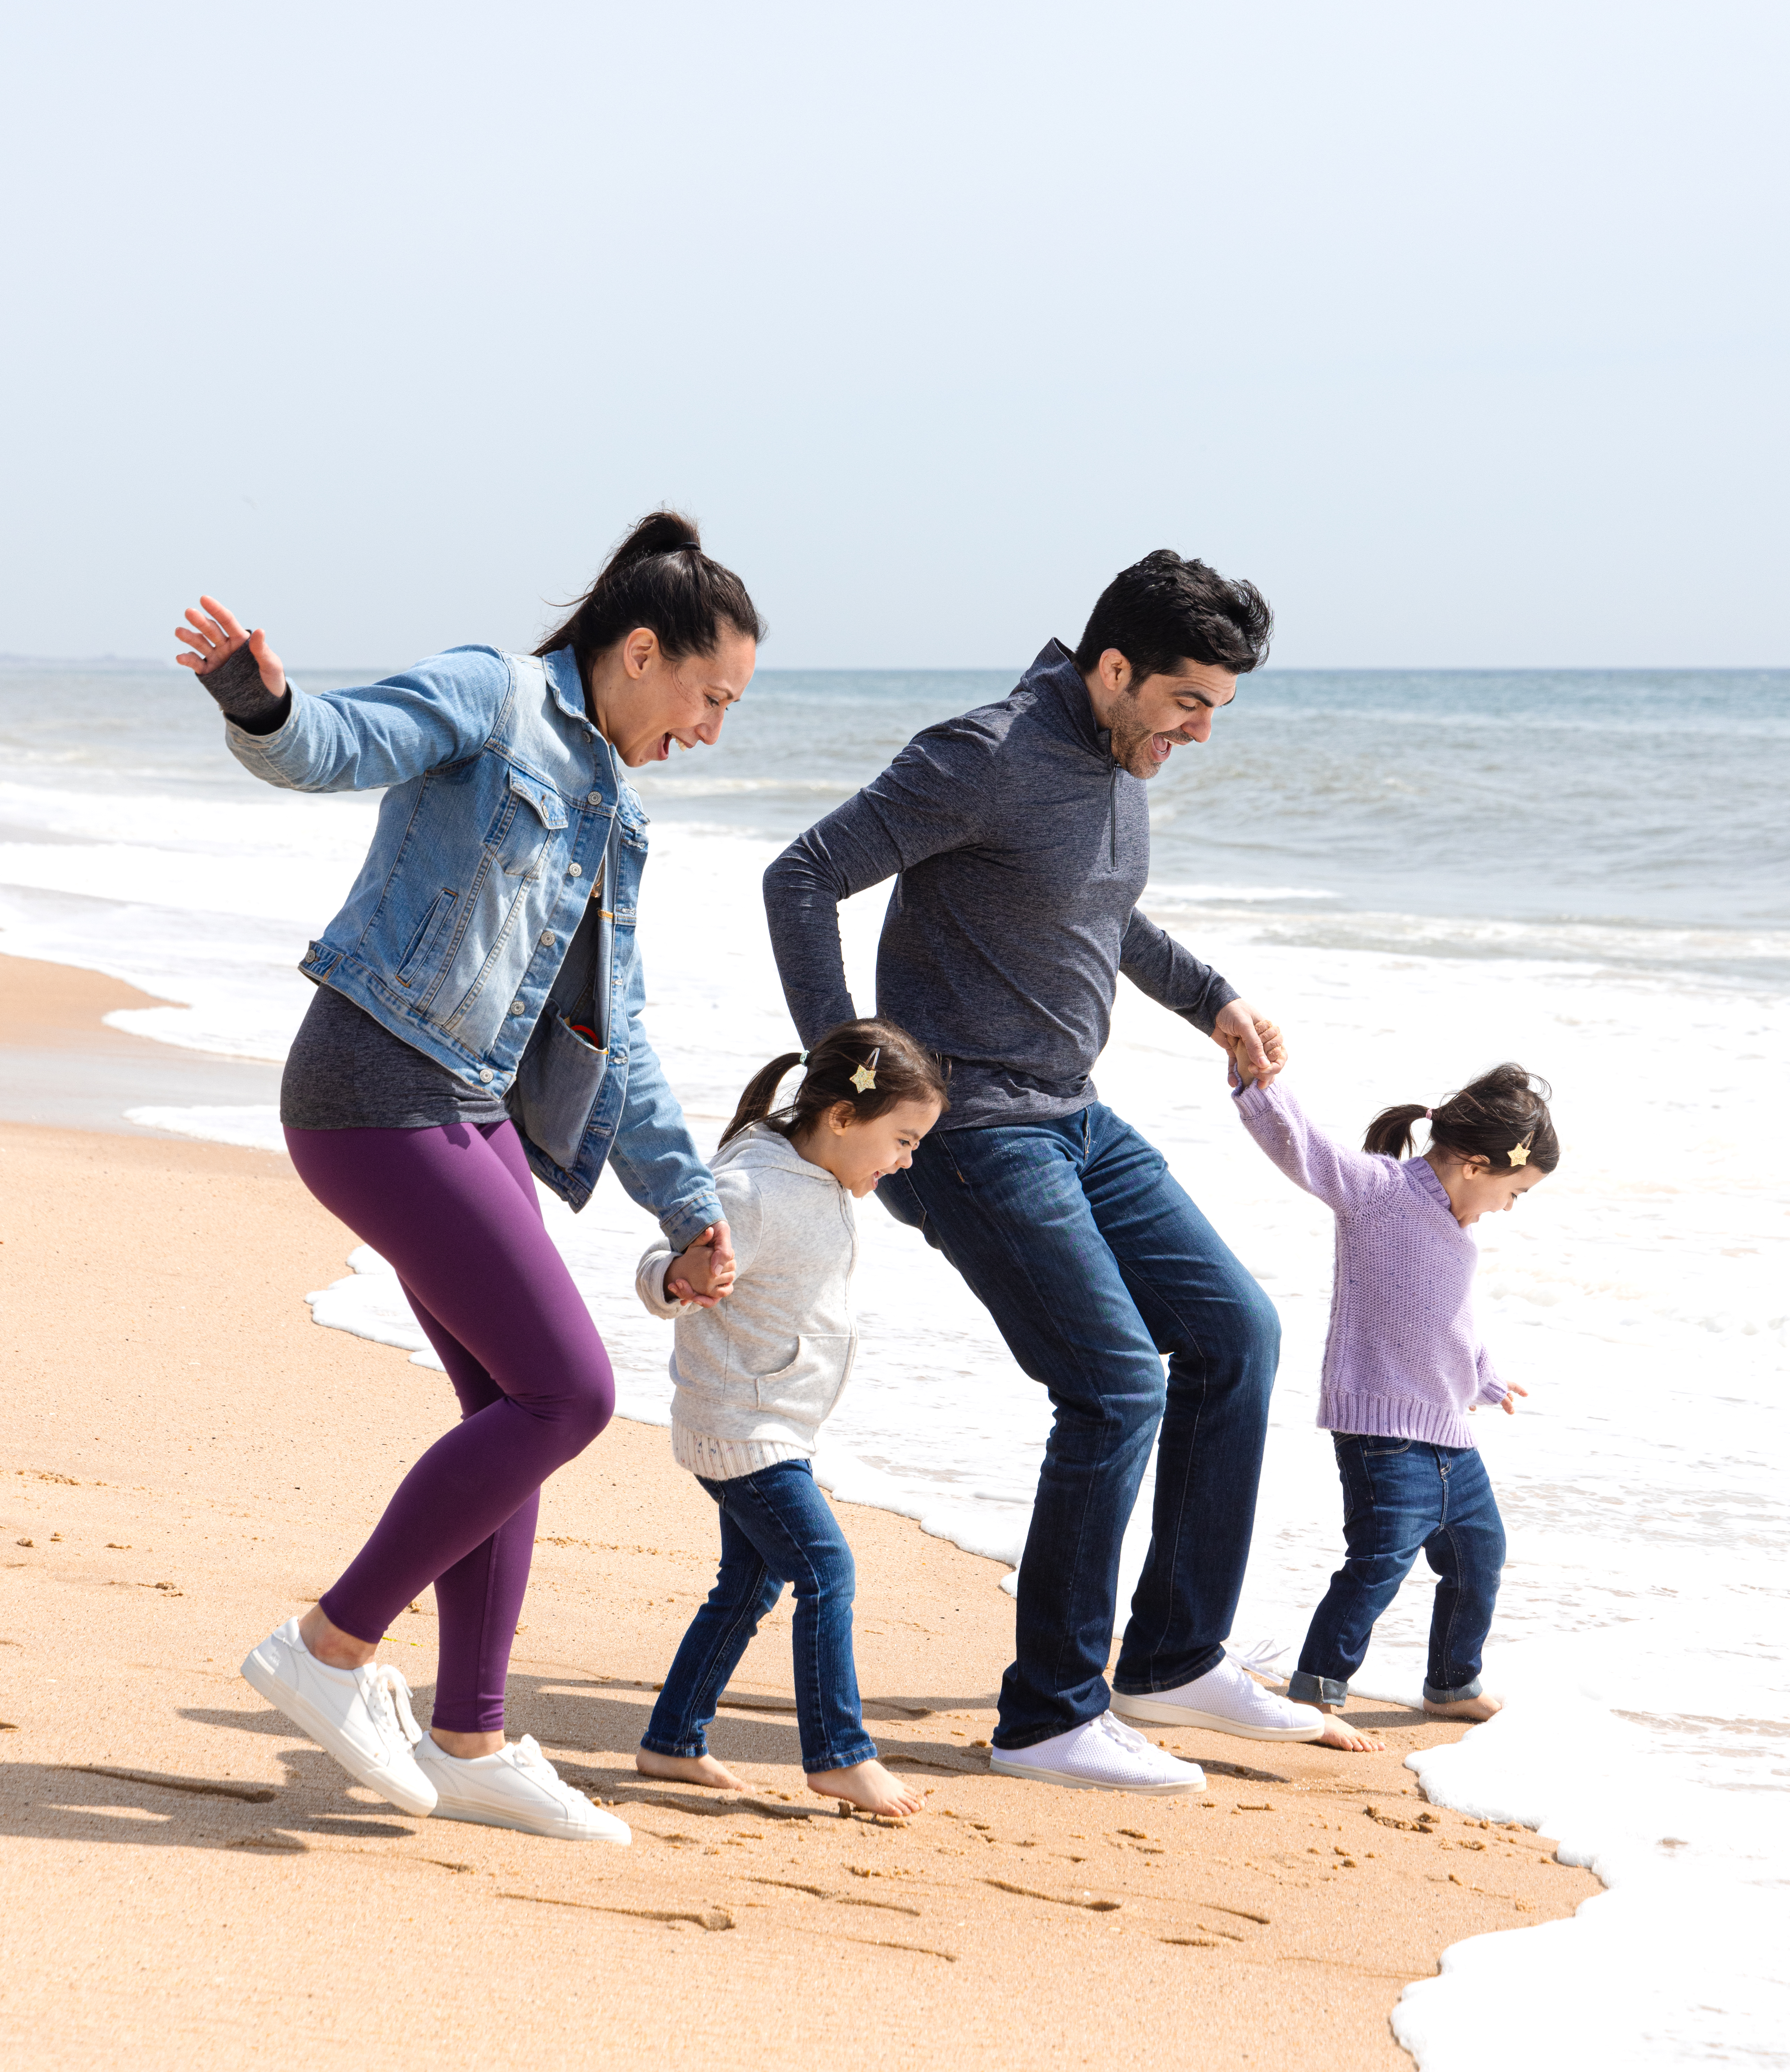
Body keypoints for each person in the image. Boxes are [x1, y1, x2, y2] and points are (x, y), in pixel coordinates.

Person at [175, 510, 762, 1843]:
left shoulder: (613, 807)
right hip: (374, 1080)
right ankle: (329, 1648)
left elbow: (620, 1033)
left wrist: (689, 1201)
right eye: (708, 695)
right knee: (571, 1391)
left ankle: (473, 1733)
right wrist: (261, 701)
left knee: (513, 1403)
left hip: (468, 1100)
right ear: (637, 650)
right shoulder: (495, 695)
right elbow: (341, 742)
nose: (713, 729)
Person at [763, 548, 1329, 1796]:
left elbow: (1097, 912)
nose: (1198, 732)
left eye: (1218, 712)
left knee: (1236, 1333)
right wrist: (849, 1083)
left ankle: (1173, 1657)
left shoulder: (1118, 757)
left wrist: (1214, 1001)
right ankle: (1048, 1718)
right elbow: (801, 874)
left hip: (1074, 1113)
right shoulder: (981, 753)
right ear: (1113, 667)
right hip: (968, 1129)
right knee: (1117, 1382)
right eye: (1189, 702)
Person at [632, 1023, 945, 1820]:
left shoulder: (819, 1177)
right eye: (901, 1139)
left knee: (748, 1581)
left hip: (769, 1423)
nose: (906, 1159)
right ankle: (838, 1754)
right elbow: (653, 1264)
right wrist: (678, 1273)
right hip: (742, 1427)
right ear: (842, 1118)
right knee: (825, 1571)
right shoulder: (753, 1188)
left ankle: (672, 1739)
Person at [1227, 1060, 1553, 1723]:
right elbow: (1307, 1150)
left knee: (1480, 1552)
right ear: (1475, 1166)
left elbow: (1449, 1318)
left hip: (1449, 1438)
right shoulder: (1380, 1190)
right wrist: (1259, 1086)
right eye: (1515, 1190)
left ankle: (1454, 1681)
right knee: (1377, 1564)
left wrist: (1485, 1375)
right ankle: (1317, 1691)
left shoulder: (1457, 1235)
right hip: (1384, 1435)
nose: (1510, 1206)